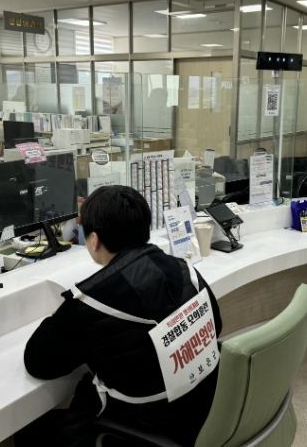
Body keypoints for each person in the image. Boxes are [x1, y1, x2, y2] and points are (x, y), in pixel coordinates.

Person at [21, 186, 222, 447]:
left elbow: (38, 363)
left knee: (31, 432)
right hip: (199, 413)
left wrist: (58, 317)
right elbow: (216, 327)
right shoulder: (186, 271)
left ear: (94, 240)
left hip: (136, 427)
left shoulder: (89, 302)